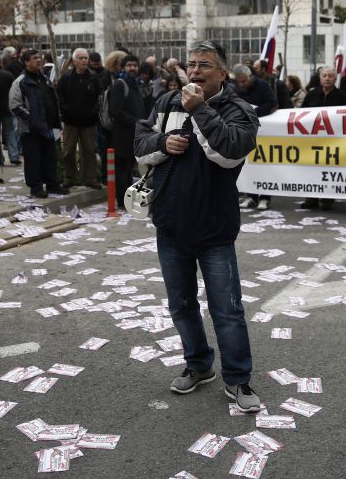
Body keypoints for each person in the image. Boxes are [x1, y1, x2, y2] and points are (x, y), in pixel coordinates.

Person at [134, 40, 261, 413]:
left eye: (204, 65)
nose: (195, 71)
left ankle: (238, 378)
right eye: (191, 64)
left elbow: (228, 152)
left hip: (214, 229)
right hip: (171, 225)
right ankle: (199, 363)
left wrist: (199, 110)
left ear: (222, 72)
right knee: (182, 304)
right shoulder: (166, 102)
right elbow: (140, 144)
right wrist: (163, 142)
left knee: (227, 309)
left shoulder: (240, 111)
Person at [10, 49, 70, 198]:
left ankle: (52, 184)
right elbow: (15, 106)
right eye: (34, 58)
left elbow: (52, 99)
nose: (38, 60)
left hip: (48, 126)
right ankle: (36, 187)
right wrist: (32, 120)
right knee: (33, 160)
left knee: (50, 157)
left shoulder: (44, 78)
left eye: (39, 58)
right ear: (26, 62)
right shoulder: (20, 82)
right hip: (30, 129)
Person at [298, 66, 346, 210]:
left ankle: (327, 200)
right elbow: (302, 113)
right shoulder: (311, 95)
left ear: (335, 79)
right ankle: (311, 199)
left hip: (333, 140)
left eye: (330, 76)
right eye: (324, 76)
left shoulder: (342, 96)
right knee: (312, 169)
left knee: (329, 170)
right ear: (320, 78)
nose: (327, 78)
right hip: (313, 140)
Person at [232, 64, 277, 211]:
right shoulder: (237, 88)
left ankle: (265, 197)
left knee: (263, 163)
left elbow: (272, 103)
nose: (241, 84)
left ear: (250, 77)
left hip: (264, 129)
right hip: (246, 129)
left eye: (244, 81)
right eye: (239, 82)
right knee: (248, 163)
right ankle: (251, 196)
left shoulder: (262, 85)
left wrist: (254, 112)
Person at [56, 48, 102, 189]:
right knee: (68, 151)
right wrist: (65, 110)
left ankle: (90, 178)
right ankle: (69, 177)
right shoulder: (66, 77)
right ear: (74, 61)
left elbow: (99, 96)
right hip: (71, 121)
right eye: (81, 58)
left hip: (88, 122)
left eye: (86, 58)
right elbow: (59, 95)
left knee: (89, 151)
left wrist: (94, 111)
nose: (84, 61)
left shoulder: (93, 77)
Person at [107, 52, 147, 208]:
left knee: (129, 169)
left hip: (134, 136)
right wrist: (135, 122)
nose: (132, 68)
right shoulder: (120, 84)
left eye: (135, 65)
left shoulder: (136, 84)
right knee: (121, 170)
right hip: (122, 136)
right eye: (129, 65)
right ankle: (122, 200)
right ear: (123, 67)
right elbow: (115, 110)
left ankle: (129, 199)